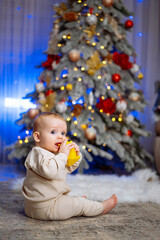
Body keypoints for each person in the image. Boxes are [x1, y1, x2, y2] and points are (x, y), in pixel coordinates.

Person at [22, 112, 118, 220]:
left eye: (63, 133)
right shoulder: (38, 153)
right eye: (53, 132)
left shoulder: (56, 155)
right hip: (47, 207)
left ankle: (74, 204)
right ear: (38, 137)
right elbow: (51, 172)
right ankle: (101, 208)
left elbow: (68, 168)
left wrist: (75, 156)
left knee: (72, 200)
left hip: (35, 207)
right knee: (80, 203)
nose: (60, 137)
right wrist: (63, 155)